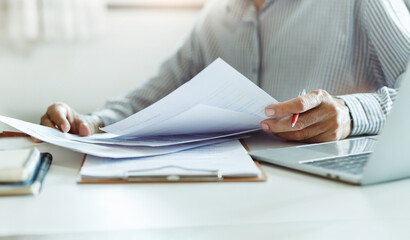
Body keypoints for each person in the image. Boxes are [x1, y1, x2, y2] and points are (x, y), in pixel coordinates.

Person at [38, 0, 410, 143]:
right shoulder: (213, 19)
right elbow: (148, 101)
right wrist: (87, 122)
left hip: (337, 199)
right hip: (239, 193)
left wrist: (350, 113)